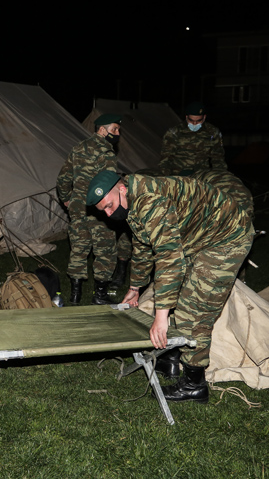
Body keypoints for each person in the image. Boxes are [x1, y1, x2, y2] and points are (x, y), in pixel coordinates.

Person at [86, 170, 254, 403]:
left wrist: (161, 315)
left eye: (110, 206)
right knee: (178, 296)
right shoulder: (132, 200)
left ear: (122, 189)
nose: (109, 213)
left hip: (227, 237)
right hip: (199, 237)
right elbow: (144, 245)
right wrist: (135, 287)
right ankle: (172, 358)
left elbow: (168, 256)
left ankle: (194, 385)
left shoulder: (150, 202)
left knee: (193, 311)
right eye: (103, 210)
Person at [56, 114, 130, 305]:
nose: (117, 133)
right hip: (99, 209)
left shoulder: (78, 148)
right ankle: (99, 295)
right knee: (104, 251)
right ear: (102, 130)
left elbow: (63, 178)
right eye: (114, 129)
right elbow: (109, 184)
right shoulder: (106, 152)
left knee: (79, 248)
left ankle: (75, 295)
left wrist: (66, 199)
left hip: (78, 207)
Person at [159, 101, 228, 175]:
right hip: (179, 173)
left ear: (204, 117)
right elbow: (166, 157)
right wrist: (167, 175)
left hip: (202, 173)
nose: (194, 124)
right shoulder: (175, 132)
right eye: (191, 120)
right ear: (186, 117)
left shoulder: (212, 132)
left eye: (198, 121)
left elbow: (218, 157)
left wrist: (219, 174)